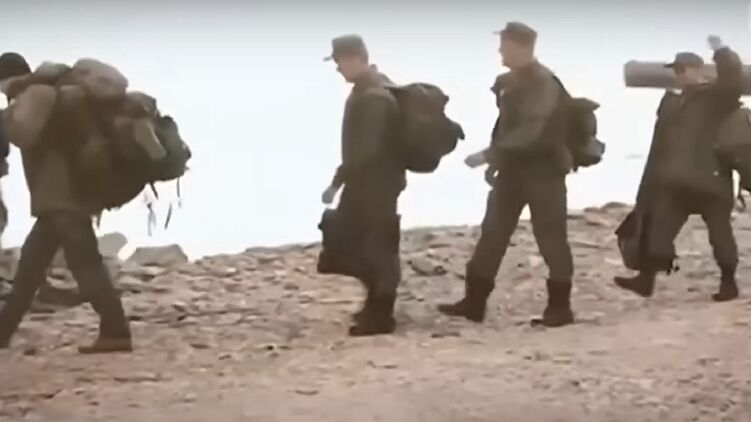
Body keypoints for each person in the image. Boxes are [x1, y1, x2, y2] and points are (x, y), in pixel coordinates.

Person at [438, 22, 576, 327]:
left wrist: (489, 155)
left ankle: (560, 308)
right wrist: (496, 163)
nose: (500, 51)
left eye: (505, 45)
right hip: (512, 173)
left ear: (522, 47)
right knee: (492, 234)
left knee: (551, 240)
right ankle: (474, 303)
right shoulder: (510, 82)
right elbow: (506, 128)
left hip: (544, 174)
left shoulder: (544, 83)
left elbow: (532, 130)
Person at [0, 52, 132, 353]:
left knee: (86, 265)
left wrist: (7, 118)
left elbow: (24, 135)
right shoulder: (45, 92)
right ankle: (3, 333)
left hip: (63, 197)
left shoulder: (35, 93)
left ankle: (116, 331)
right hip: (57, 199)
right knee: (29, 269)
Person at [614, 36, 743, 301]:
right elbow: (660, 146)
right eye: (676, 70)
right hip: (676, 182)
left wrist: (721, 52)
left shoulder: (717, 97)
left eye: (683, 69)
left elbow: (732, 78)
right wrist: (651, 184)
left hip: (711, 181)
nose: (679, 75)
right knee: (658, 232)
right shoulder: (673, 104)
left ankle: (728, 283)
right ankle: (646, 280)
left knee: (720, 235)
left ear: (699, 70)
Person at [320, 35, 405, 336]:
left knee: (376, 249)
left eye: (340, 61)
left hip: (374, 184)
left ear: (355, 58)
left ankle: (381, 316)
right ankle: (375, 306)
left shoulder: (373, 96)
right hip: (370, 182)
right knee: (357, 245)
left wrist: (336, 183)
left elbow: (364, 150)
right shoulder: (370, 88)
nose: (338, 68)